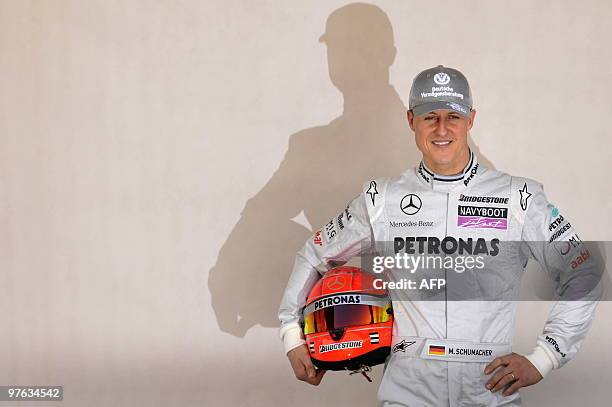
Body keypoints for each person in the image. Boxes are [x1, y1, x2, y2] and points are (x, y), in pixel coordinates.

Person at [278, 65, 601, 406]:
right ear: (410, 120)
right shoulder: (381, 199)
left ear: (471, 120)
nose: (442, 128)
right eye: (430, 116)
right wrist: (291, 334)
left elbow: (583, 269)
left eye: (454, 116)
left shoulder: (517, 197)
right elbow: (314, 254)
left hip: (489, 389)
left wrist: (546, 357)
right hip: (408, 390)